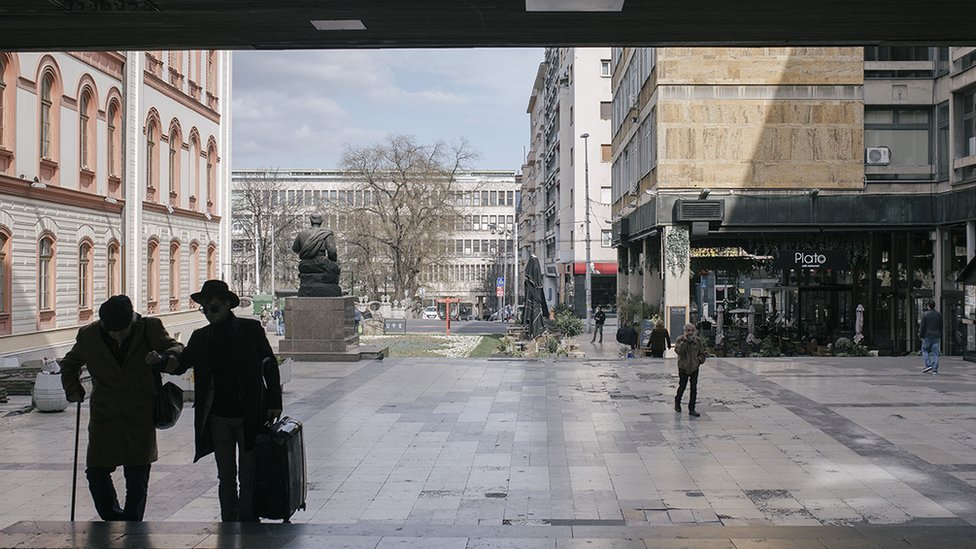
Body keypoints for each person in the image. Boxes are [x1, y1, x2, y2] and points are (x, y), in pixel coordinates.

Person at [59, 295, 183, 521]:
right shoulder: (89, 335)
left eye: (122, 330)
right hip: (104, 416)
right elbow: (69, 363)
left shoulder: (150, 328)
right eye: (111, 331)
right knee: (96, 473)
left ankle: (133, 523)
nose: (117, 335)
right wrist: (73, 388)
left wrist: (166, 357)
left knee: (137, 476)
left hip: (140, 415)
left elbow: (176, 347)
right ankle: (112, 517)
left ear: (132, 321)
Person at [168, 280, 282, 522]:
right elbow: (181, 364)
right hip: (218, 416)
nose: (209, 313)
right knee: (226, 475)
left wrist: (274, 402)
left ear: (228, 305)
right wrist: (160, 359)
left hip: (250, 413)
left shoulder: (251, 330)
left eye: (214, 308)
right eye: (205, 309)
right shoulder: (201, 337)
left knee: (249, 474)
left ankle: (249, 519)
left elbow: (269, 365)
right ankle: (229, 520)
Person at [674, 323, 706, 417]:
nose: (690, 332)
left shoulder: (697, 341)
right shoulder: (680, 339)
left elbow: (702, 353)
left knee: (694, 388)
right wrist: (684, 342)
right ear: (685, 331)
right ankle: (677, 401)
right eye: (688, 330)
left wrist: (698, 361)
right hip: (683, 367)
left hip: (694, 367)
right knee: (682, 386)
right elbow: (678, 351)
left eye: (692, 330)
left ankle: (692, 408)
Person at [919, 299, 942, 374]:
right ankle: (935, 369)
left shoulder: (925, 314)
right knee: (935, 352)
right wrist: (940, 334)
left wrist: (921, 335)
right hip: (936, 335)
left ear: (928, 306)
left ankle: (928, 364)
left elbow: (922, 326)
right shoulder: (939, 314)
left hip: (927, 335)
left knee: (924, 350)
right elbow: (941, 326)